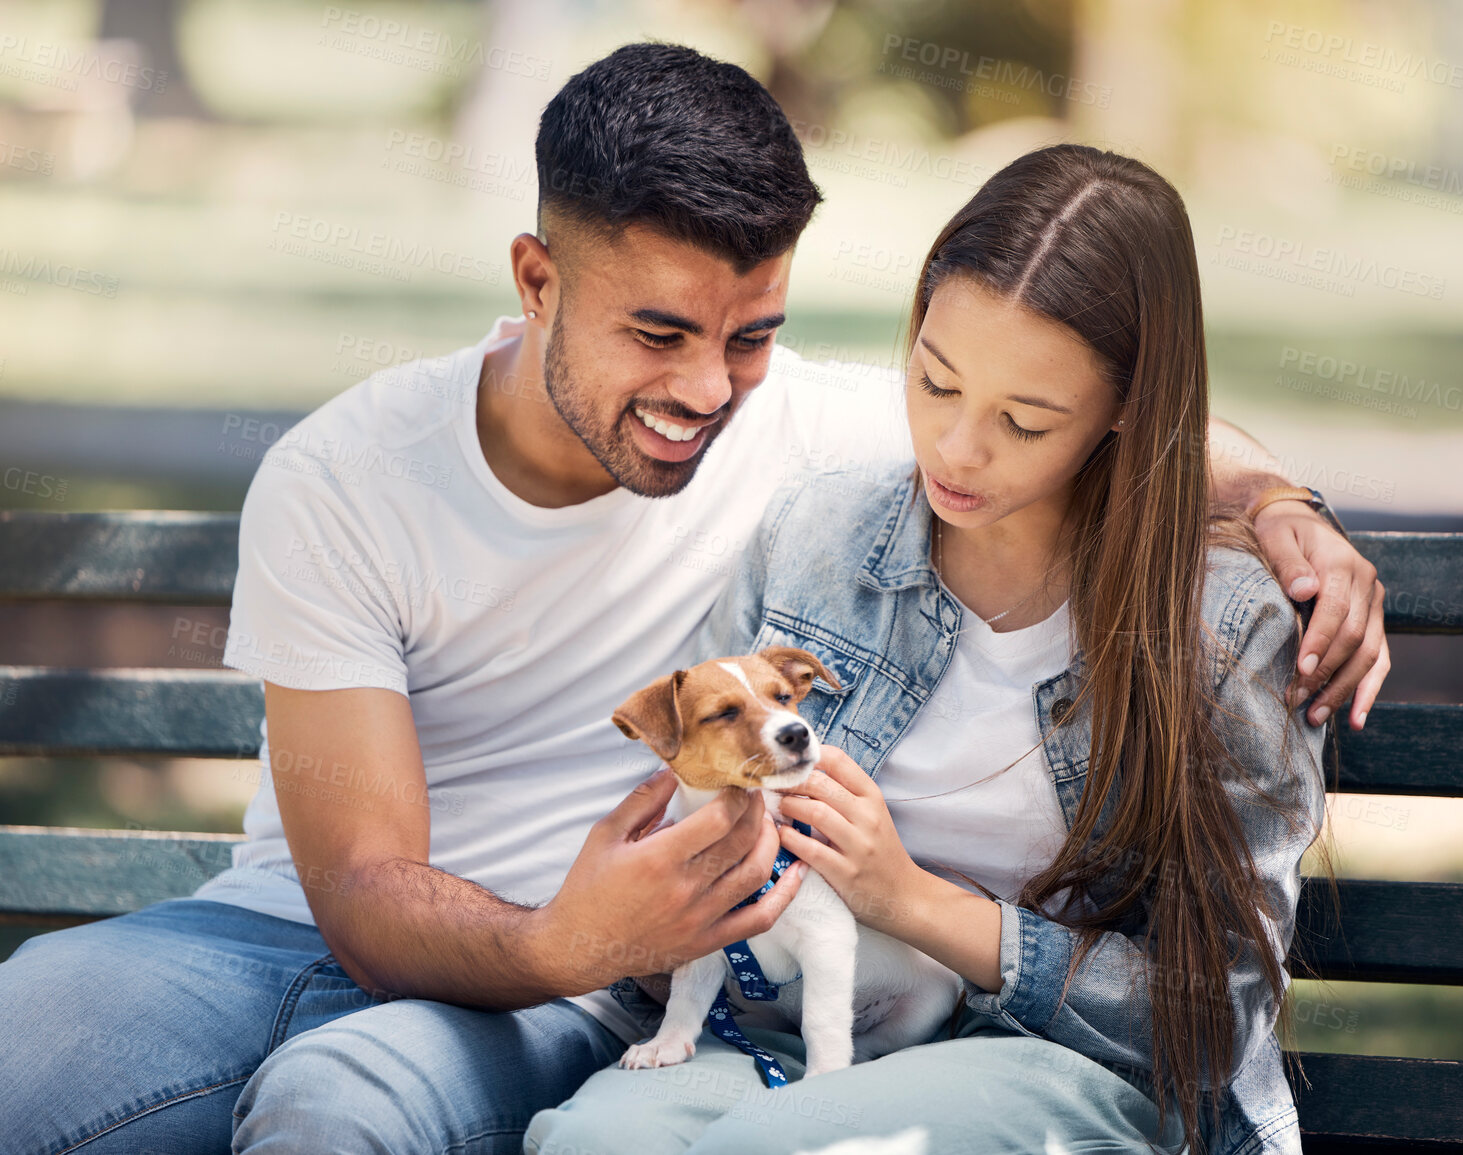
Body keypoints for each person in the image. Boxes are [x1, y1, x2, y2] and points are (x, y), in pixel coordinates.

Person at [0, 47, 1380, 1155]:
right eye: (659, 332)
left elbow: (1094, 413)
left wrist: (1278, 509)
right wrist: (575, 936)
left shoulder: (829, 439)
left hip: (619, 997)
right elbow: (362, 896)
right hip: (381, 941)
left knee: (342, 1102)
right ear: (535, 277)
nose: (704, 390)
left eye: (751, 334)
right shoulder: (348, 474)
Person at [525, 144, 1327, 1155]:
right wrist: (660, 908)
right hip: (804, 1024)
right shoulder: (817, 538)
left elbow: (1212, 1016)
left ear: (1127, 409)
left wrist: (906, 898)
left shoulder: (1221, 628)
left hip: (1062, 1065)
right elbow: (684, 812)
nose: (956, 449)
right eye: (935, 383)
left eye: (1024, 421)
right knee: (592, 1145)